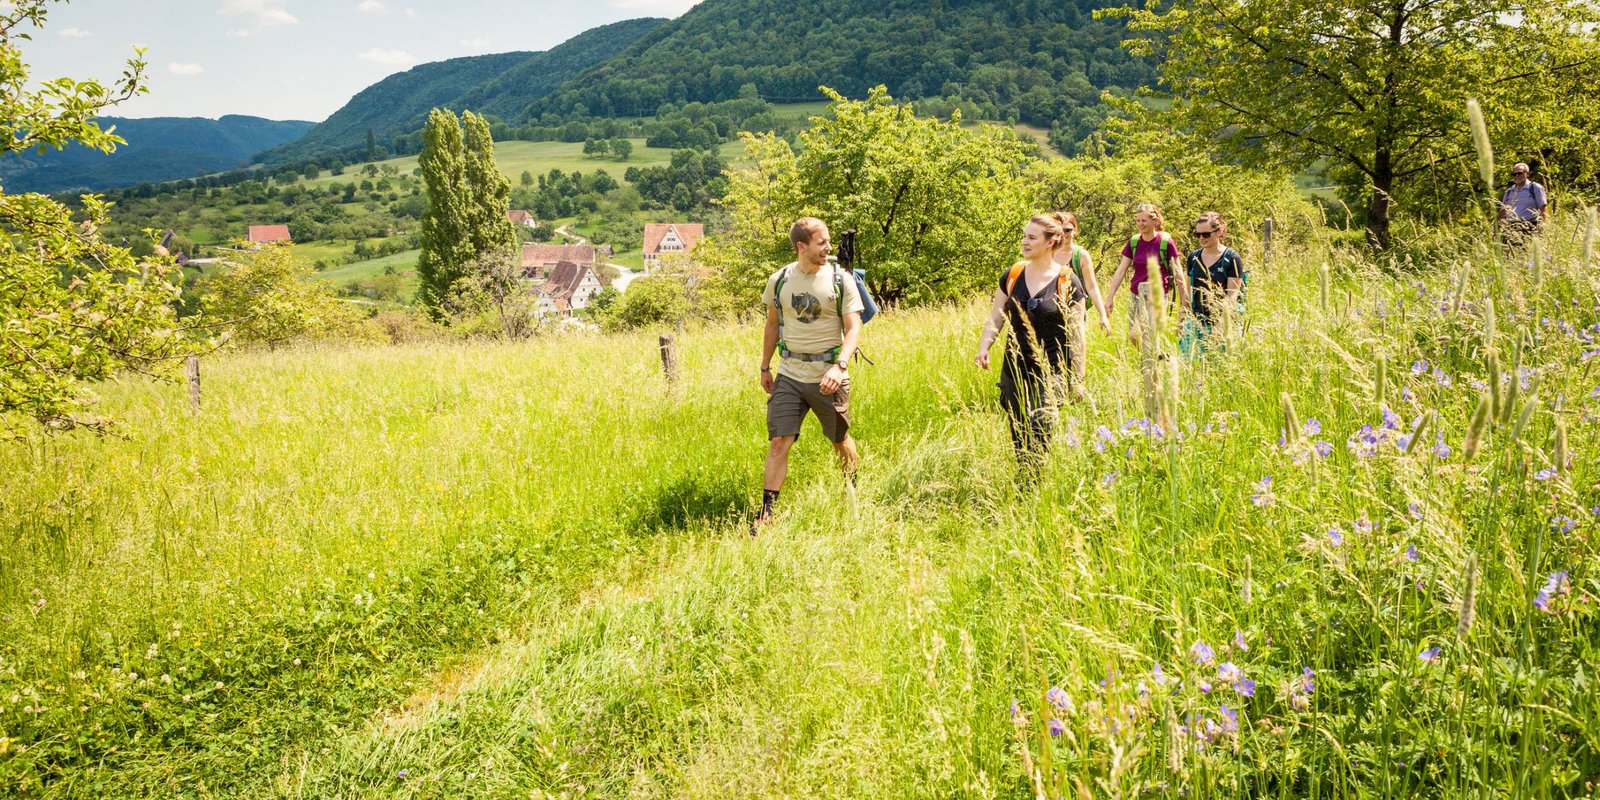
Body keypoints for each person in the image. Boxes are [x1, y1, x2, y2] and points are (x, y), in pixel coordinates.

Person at [755, 217, 863, 531]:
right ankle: (767, 513)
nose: (829, 248)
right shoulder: (780, 280)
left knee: (839, 440)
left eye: (828, 241)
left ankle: (853, 492)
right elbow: (772, 325)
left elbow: (854, 328)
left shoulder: (841, 280)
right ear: (801, 246)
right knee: (779, 441)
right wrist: (765, 366)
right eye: (821, 243)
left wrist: (840, 366)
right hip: (790, 374)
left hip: (829, 374)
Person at [974, 213, 1087, 475]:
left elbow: (1077, 332)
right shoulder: (1012, 274)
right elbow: (996, 316)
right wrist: (983, 348)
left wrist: (1078, 378)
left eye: (1032, 237)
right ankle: (1025, 476)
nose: (1025, 242)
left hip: (1052, 368)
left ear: (1050, 242)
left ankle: (1037, 480)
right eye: (1024, 236)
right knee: (1019, 428)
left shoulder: (1067, 280)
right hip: (1014, 366)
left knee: (1041, 427)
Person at [1106, 203, 1183, 344]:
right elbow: (1121, 270)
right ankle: (1150, 357)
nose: (1140, 224)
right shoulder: (1134, 242)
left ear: (1155, 221)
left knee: (1147, 336)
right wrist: (1110, 297)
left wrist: (1184, 303)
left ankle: (1152, 357)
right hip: (1136, 295)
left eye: (1144, 221)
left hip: (1158, 295)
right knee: (1135, 337)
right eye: (1138, 220)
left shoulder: (1165, 242)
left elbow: (1179, 273)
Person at [1180, 211, 1244, 357]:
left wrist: (1220, 325)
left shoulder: (1232, 258)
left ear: (1219, 231)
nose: (1201, 238)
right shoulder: (1193, 258)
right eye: (1198, 234)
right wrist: (1182, 319)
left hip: (1223, 322)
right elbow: (1188, 293)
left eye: (1206, 234)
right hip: (1196, 321)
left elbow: (1232, 296)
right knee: (1190, 363)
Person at [1499, 162, 1548, 243]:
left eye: (1520, 173)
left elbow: (1543, 209)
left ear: (1527, 174)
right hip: (1510, 228)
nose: (1517, 176)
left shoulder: (1535, 187)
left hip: (1529, 228)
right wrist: (1500, 230)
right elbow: (1503, 212)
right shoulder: (1509, 191)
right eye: (1514, 174)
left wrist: (1541, 230)